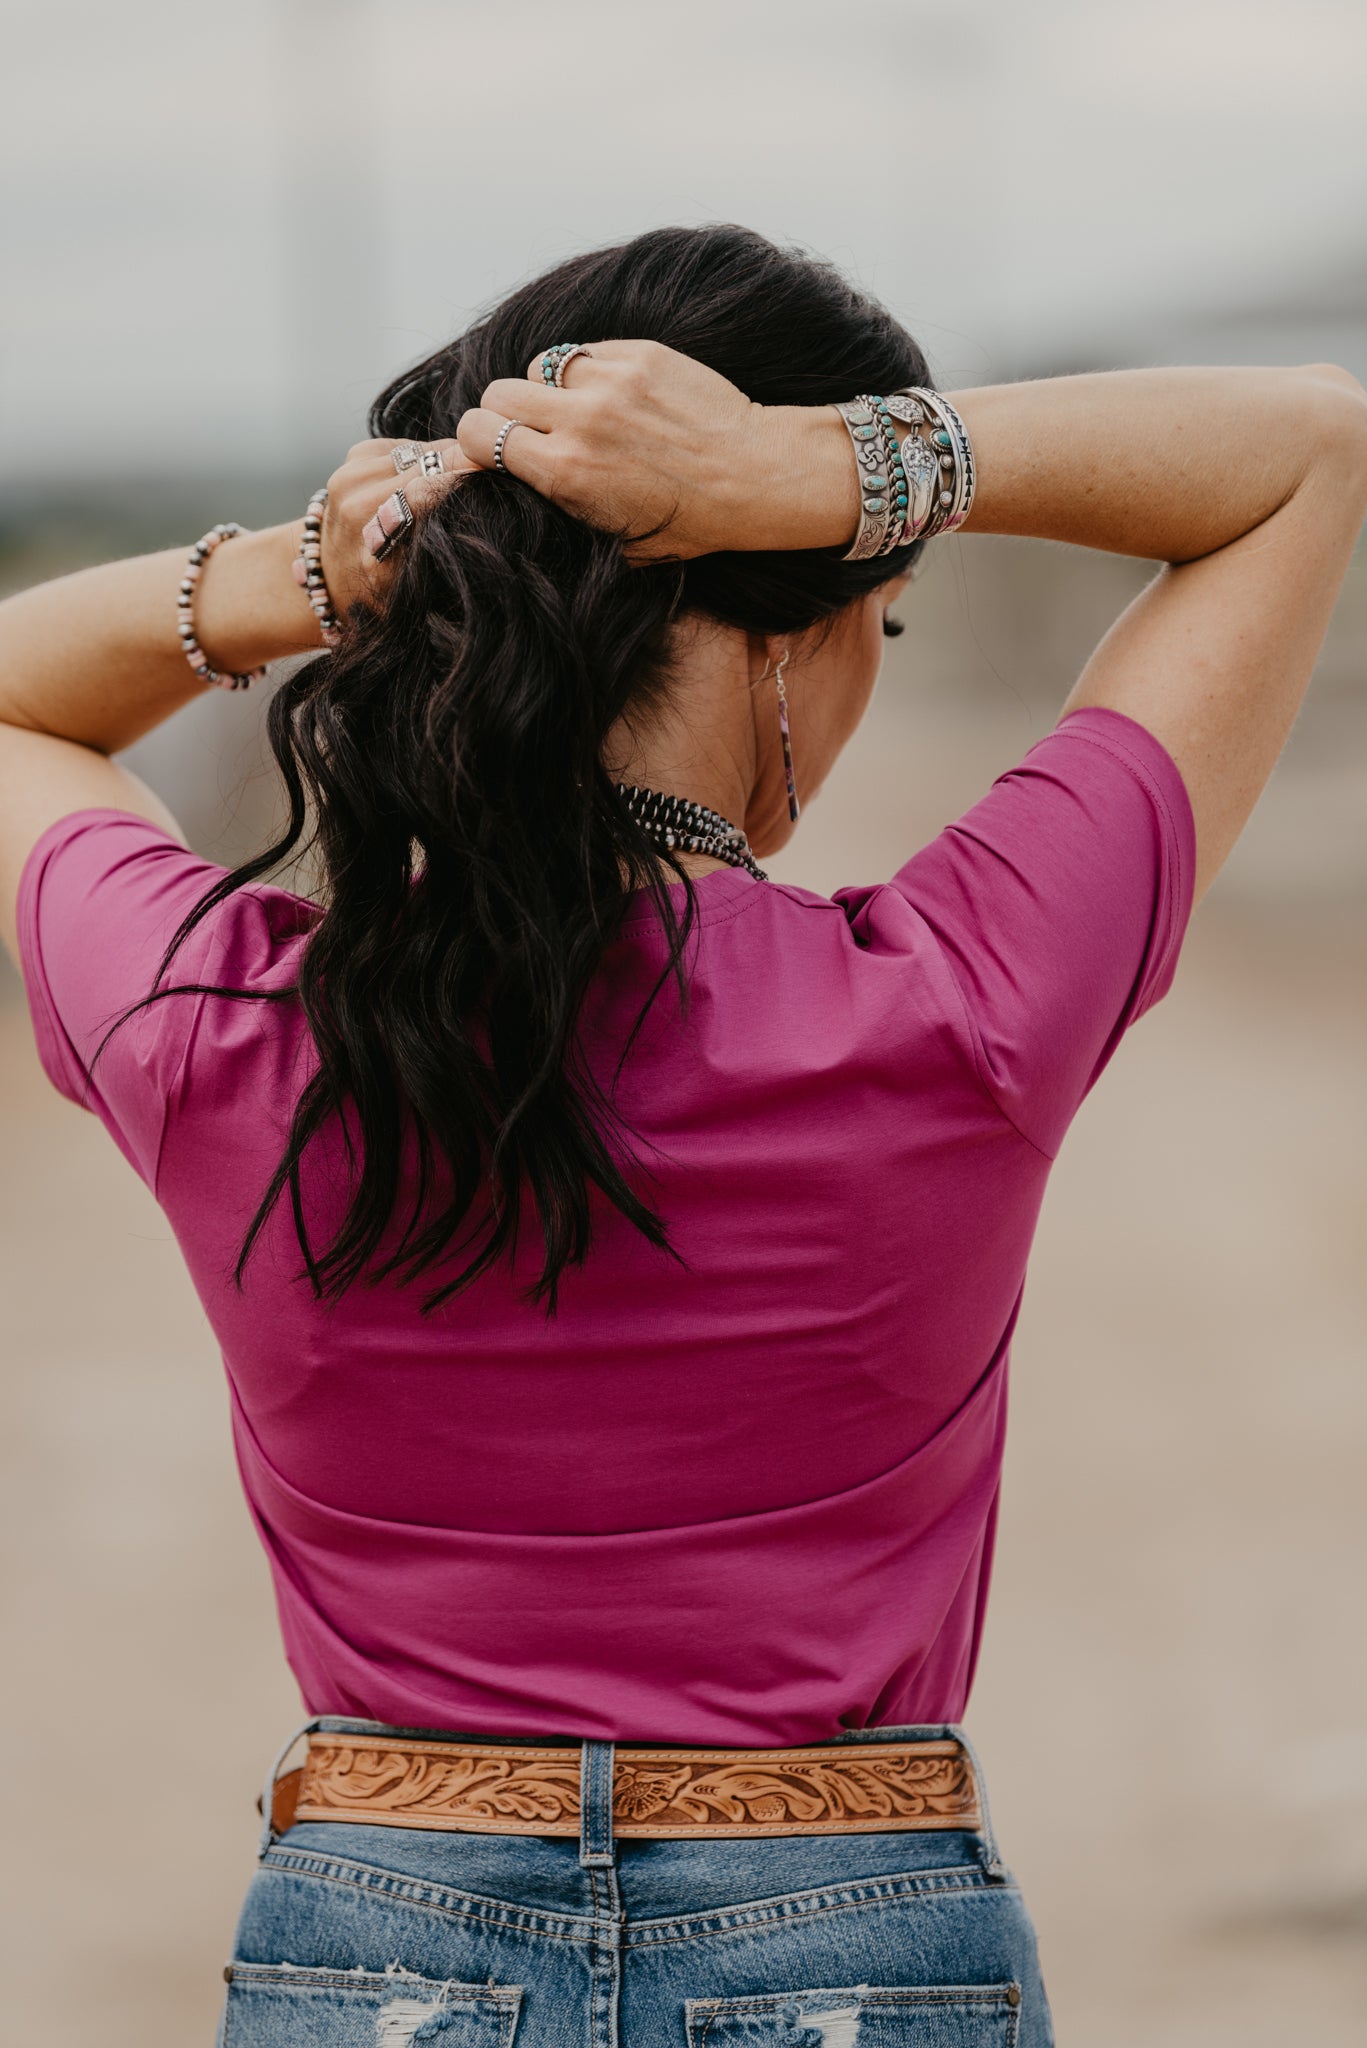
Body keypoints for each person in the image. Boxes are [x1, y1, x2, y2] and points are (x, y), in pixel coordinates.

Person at [1, 225, 1363, 2048]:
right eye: (880, 623)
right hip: (854, 1955)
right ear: (793, 645)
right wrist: (818, 466)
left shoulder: (225, 1025)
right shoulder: (957, 1000)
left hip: (370, 1953)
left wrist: (309, 576)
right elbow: (1304, 449)